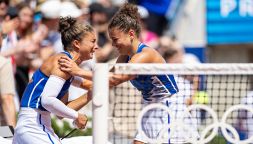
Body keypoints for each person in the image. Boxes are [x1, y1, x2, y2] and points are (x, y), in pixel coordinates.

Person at [59, 3, 198, 144]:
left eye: (115, 39)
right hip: (149, 106)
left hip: (168, 106)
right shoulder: (125, 56)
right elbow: (106, 78)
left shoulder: (145, 54)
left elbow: (115, 79)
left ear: (131, 34)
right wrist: (75, 82)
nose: (113, 44)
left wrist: (77, 71)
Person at [12, 16, 97, 144]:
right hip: (33, 125)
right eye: (92, 41)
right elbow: (47, 101)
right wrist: (76, 116)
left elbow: (60, 113)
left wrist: (91, 93)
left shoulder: (67, 67)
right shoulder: (62, 63)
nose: (96, 47)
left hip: (32, 124)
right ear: (77, 44)